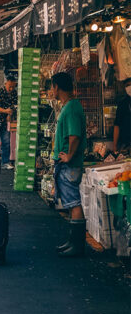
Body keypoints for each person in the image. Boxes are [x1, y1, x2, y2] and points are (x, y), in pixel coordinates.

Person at [51, 71, 87, 258]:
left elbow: (74, 136)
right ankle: (72, 242)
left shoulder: (71, 108)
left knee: (74, 203)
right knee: (71, 202)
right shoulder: (69, 106)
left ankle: (77, 246)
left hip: (70, 164)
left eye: (52, 87)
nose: (51, 91)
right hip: (67, 163)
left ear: (57, 87)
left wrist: (69, 156)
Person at [0, 74, 17, 170]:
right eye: (10, 86)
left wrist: (9, 114)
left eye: (13, 86)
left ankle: (5, 162)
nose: (11, 88)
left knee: (6, 142)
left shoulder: (14, 94)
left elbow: (13, 106)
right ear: (6, 84)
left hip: (5, 122)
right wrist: (6, 111)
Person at [112, 75, 131, 155]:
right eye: (127, 86)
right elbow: (117, 125)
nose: (129, 87)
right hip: (125, 144)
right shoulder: (122, 103)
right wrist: (115, 146)